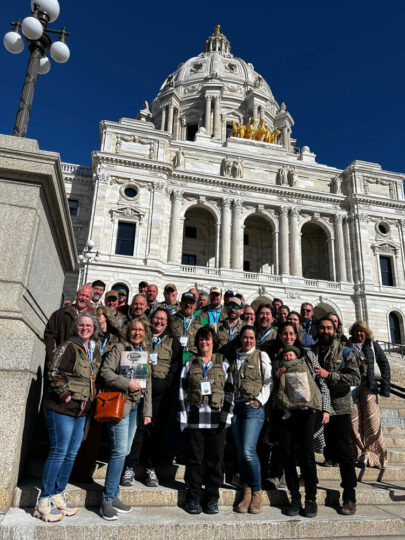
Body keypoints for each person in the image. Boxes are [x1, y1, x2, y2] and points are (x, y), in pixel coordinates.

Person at [34, 312, 102, 522]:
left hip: (81, 411)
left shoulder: (94, 348)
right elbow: (54, 372)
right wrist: (65, 395)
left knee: (72, 452)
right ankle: (44, 501)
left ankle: (58, 494)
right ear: (76, 327)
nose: (85, 328)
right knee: (59, 451)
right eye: (81, 325)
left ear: (94, 328)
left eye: (89, 325)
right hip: (61, 408)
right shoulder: (68, 346)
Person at [122, 308, 182, 487]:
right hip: (138, 389)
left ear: (167, 322)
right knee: (135, 430)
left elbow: (175, 367)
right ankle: (130, 466)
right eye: (156, 318)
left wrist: (165, 385)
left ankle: (150, 467)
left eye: (163, 319)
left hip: (159, 395)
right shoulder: (143, 336)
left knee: (153, 431)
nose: (159, 322)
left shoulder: (173, 341)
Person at [307, 317, 360, 515]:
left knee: (344, 451)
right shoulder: (311, 352)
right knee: (310, 446)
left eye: (329, 328)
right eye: (322, 328)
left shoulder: (345, 351)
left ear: (335, 329)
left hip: (339, 408)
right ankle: (310, 486)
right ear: (317, 330)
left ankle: (349, 494)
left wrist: (330, 375)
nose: (325, 331)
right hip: (315, 406)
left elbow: (355, 378)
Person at [100, 319, 152, 520]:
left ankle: (113, 496)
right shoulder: (119, 348)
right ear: (127, 331)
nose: (137, 332)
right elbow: (105, 372)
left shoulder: (144, 354)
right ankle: (106, 499)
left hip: (135, 407)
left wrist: (147, 412)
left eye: (141, 329)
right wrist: (126, 382)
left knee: (125, 451)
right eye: (134, 329)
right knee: (119, 451)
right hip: (120, 405)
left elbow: (147, 383)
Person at [179, 326, 234, 515]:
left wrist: (227, 415)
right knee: (195, 460)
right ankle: (193, 498)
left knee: (215, 461)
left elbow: (230, 391)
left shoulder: (223, 362)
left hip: (217, 420)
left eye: (207, 339)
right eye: (201, 339)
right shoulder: (191, 363)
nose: (204, 342)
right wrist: (183, 415)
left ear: (214, 341)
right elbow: (182, 389)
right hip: (194, 419)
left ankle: (212, 498)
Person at [275, 344, 331, 519]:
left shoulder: (306, 365)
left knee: (307, 457)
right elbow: (277, 393)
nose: (290, 357)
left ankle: (311, 499)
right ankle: (295, 498)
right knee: (288, 456)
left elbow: (318, 387)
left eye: (292, 354)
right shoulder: (279, 370)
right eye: (287, 354)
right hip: (286, 415)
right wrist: (278, 378)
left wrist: (323, 409)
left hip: (306, 415)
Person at [228, 325, 272, 514]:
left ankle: (256, 491)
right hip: (236, 407)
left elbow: (269, 382)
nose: (248, 341)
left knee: (248, 450)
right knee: (240, 452)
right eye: (245, 337)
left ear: (255, 340)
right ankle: (245, 491)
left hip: (252, 408)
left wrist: (259, 401)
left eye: (251, 338)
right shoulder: (234, 357)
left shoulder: (262, 356)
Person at [347, 321, 390, 469]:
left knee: (372, 421)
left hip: (368, 386)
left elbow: (384, 363)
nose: (359, 334)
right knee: (353, 422)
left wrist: (385, 386)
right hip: (351, 387)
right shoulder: (346, 345)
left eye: (362, 331)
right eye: (356, 331)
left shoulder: (371, 345)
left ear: (366, 333)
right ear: (352, 332)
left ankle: (377, 456)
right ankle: (359, 454)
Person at [44, 284, 93, 365]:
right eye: (81, 295)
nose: (84, 298)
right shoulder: (60, 313)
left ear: (90, 299)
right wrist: (52, 357)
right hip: (60, 362)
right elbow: (49, 335)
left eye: (87, 296)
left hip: (81, 365)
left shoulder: (93, 319)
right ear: (76, 295)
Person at [171, 292, 208, 364]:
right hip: (174, 359)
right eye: (185, 302)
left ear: (195, 305)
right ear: (181, 304)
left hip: (194, 360)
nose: (188, 305)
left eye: (191, 302)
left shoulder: (202, 321)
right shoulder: (172, 319)